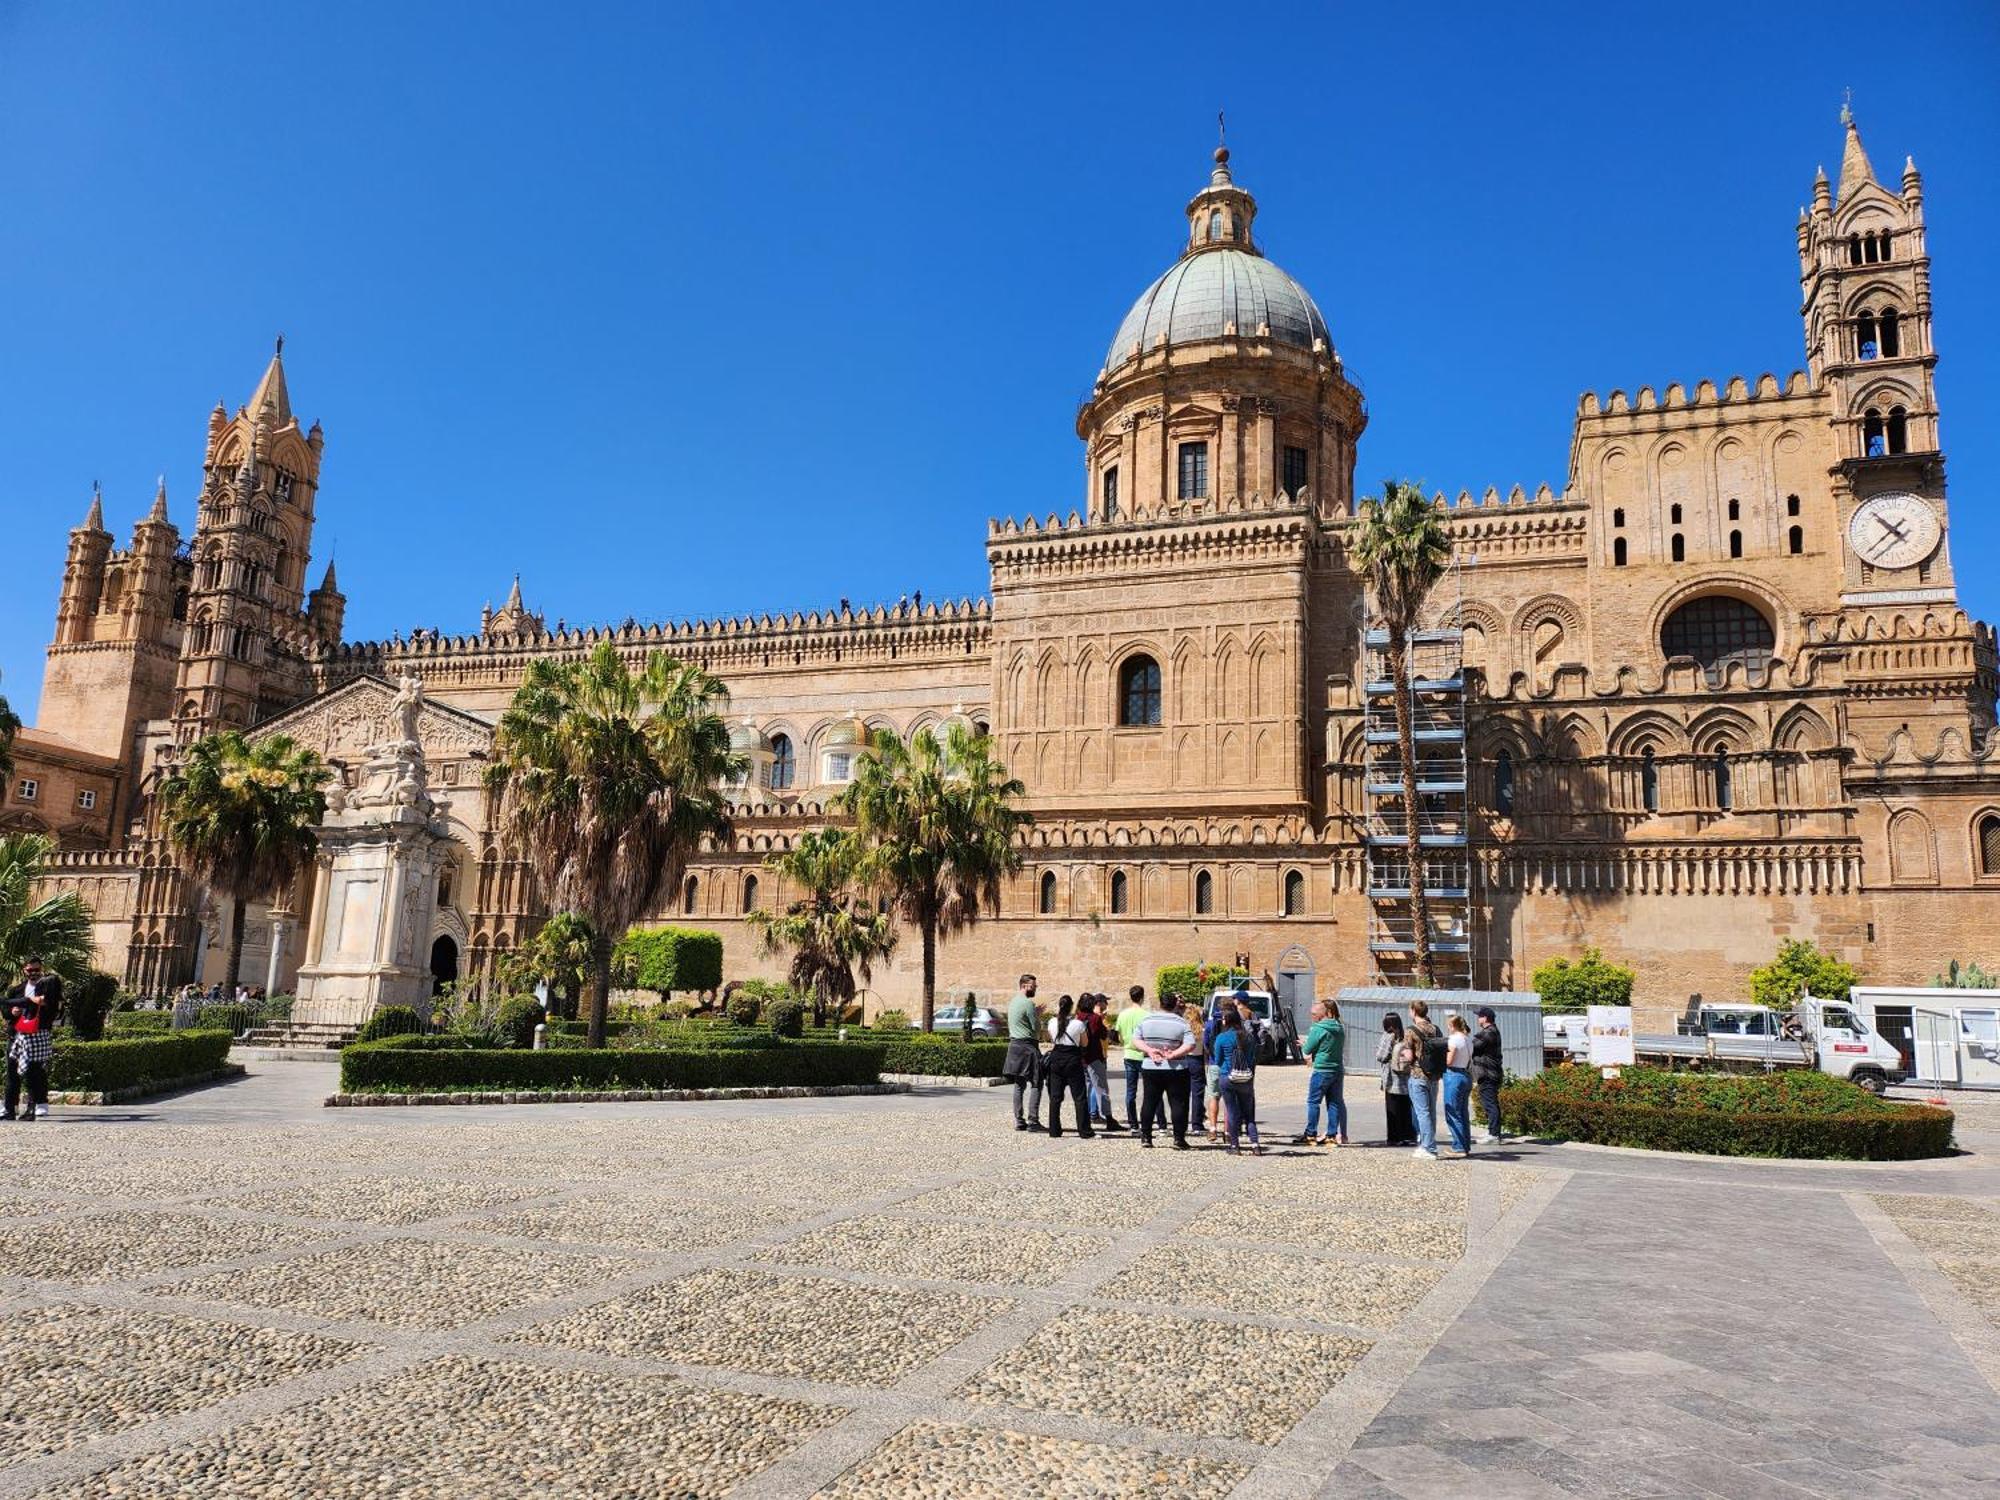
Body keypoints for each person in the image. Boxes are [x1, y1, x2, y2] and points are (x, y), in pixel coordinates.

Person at [1135, 995, 1198, 1149]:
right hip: (1176, 1068)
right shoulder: (1181, 1022)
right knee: (1178, 1103)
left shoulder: (1147, 1020)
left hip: (1151, 1066)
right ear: (1175, 1005)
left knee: (1149, 1102)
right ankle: (1178, 1139)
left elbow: (1136, 1040)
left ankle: (1146, 1137)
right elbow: (1190, 1044)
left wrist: (1149, 1050)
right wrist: (1174, 1054)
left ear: (1160, 1004)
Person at [1295, 998, 1347, 1146]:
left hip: (1322, 1069)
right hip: (1337, 1069)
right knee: (1334, 1103)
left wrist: (1305, 1044)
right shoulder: (1339, 1027)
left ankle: (1311, 1133)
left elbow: (1307, 1050)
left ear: (1321, 1014)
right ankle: (1331, 1135)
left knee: (1313, 1102)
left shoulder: (1318, 1028)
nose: (1311, 1017)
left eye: (1313, 1014)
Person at [1214, 999, 1263, 1154]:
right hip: (1245, 1077)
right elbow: (1251, 1058)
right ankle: (1255, 1145)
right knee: (1249, 1114)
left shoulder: (1221, 1038)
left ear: (1226, 1021)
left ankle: (1235, 1145)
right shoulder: (1248, 1037)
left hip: (1227, 1076)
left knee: (1232, 1111)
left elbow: (1218, 1059)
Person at [2, 974, 53, 1123]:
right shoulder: (16, 989)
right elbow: (7, 1009)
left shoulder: (46, 993)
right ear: (25, 970)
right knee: (12, 1072)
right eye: (30, 969)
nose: (34, 973)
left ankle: (33, 1108)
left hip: (33, 1038)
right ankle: (10, 1108)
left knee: (33, 1074)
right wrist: (11, 1012)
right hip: (16, 1036)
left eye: (37, 969)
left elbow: (24, 1002)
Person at [1043, 996, 1095, 1139]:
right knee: (1079, 1097)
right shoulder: (1078, 1024)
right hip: (1072, 1059)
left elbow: (1052, 1038)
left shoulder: (1052, 1022)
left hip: (1056, 1057)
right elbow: (1085, 1043)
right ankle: (1084, 1130)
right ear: (1072, 1007)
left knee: (1055, 1097)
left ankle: (1054, 1130)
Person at [1003, 973, 1044, 1132]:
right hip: (1028, 1046)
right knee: (1037, 1082)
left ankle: (1019, 1120)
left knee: (1019, 1085)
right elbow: (1036, 1028)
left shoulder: (1013, 1002)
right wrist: (1037, 1016)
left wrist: (1035, 1013)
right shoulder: (1028, 1004)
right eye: (1034, 986)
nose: (1035, 988)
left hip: (1014, 1045)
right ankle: (1033, 1120)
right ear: (1025, 985)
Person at [1404, 999, 1444, 1161]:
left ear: (1414, 1011)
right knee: (1431, 1111)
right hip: (1434, 1075)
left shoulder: (1411, 1030)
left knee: (1422, 1112)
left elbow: (1410, 1056)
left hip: (1418, 1074)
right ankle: (1429, 1143)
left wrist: (1402, 1055)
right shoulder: (1436, 1029)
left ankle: (1428, 1147)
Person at [1079, 995, 1123, 1131]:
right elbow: (1104, 1035)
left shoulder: (1078, 1017)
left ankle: (1087, 1115)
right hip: (1095, 1056)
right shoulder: (1095, 1019)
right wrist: (1102, 1020)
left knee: (1087, 1087)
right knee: (1101, 1088)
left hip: (1082, 1057)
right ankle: (1108, 1118)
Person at [1114, 985, 1148, 1128]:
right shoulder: (1147, 1015)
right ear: (1142, 997)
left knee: (1130, 1091)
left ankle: (1133, 1123)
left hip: (1129, 1053)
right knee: (1150, 1090)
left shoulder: (1123, 1014)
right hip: (1144, 1054)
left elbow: (1119, 1035)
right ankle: (1150, 1120)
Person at [1379, 1014, 1415, 1146]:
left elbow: (1381, 1056)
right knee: (1405, 1106)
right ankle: (1408, 1135)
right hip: (1404, 1075)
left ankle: (1394, 1137)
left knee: (1392, 1107)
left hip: (1391, 1076)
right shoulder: (1404, 1035)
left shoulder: (1388, 1036)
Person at [1441, 1014, 1475, 1156]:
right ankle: (1465, 1145)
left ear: (1453, 1026)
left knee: (1453, 1112)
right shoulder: (1468, 1039)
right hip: (1466, 1074)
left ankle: (1459, 1146)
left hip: (1454, 1074)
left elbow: (1449, 1060)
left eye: (1449, 1025)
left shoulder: (1454, 1039)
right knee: (1462, 1112)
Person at [1471, 1006, 1505, 1144]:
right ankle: (1492, 1131)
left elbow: (1472, 1046)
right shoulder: (1491, 1031)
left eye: (1479, 1016)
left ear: (1485, 1018)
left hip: (1488, 1074)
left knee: (1490, 1104)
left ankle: (1494, 1135)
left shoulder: (1488, 1033)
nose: (1478, 1018)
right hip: (1489, 1073)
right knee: (1490, 1103)